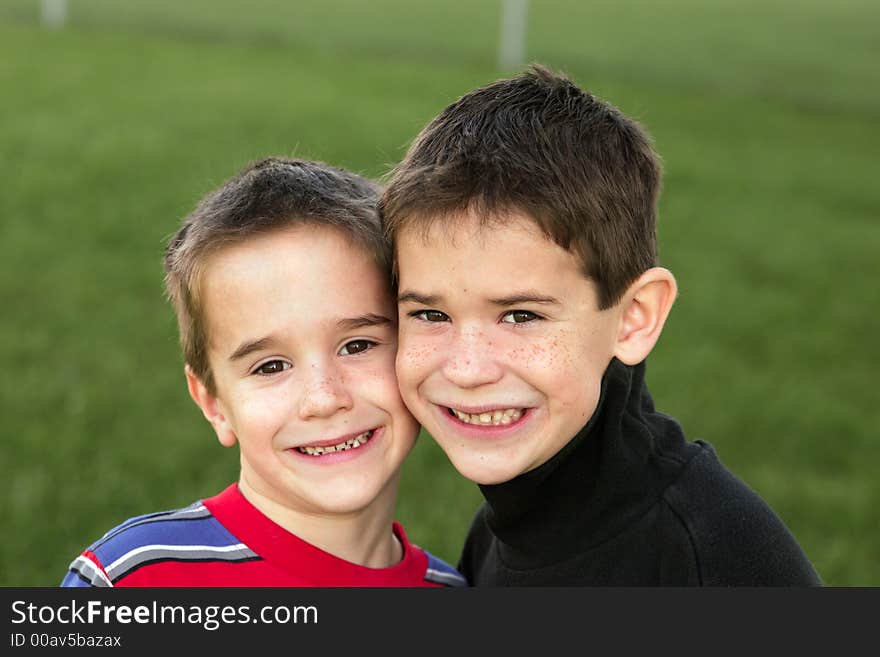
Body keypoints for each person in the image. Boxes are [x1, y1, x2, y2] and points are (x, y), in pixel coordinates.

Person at [379, 65, 822, 586]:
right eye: (432, 315)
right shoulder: (502, 531)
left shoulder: (712, 562)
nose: (469, 368)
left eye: (522, 315)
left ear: (634, 318)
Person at [61, 157, 466, 587]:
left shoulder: (451, 589)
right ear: (213, 403)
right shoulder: (135, 578)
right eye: (270, 366)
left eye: (358, 345)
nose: (324, 398)